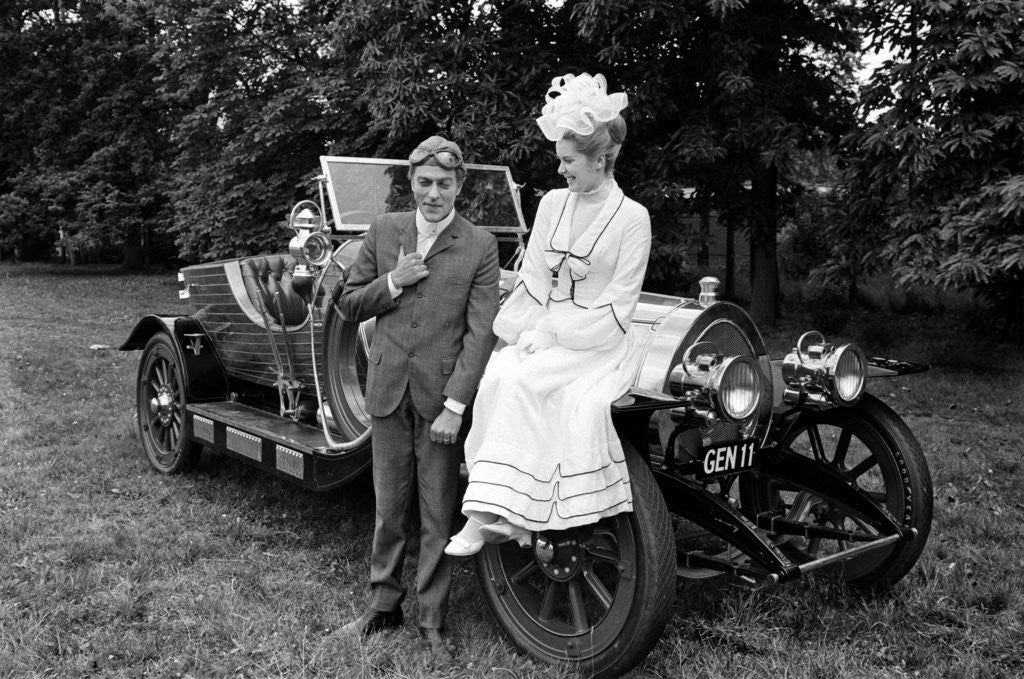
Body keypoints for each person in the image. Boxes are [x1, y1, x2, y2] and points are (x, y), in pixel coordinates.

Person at [445, 74, 651, 556]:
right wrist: (515, 332)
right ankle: (504, 507)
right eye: (560, 159)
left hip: (598, 341)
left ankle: (488, 515)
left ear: (600, 159)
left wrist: (558, 332)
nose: (560, 170)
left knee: (524, 383)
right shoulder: (553, 204)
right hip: (543, 330)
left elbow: (619, 305)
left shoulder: (632, 218)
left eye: (568, 161)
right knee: (498, 376)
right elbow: (534, 278)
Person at [336, 135, 500, 659]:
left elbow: (481, 334)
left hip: (440, 404)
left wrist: (455, 406)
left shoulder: (480, 244)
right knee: (388, 510)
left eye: (444, 184)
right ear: (411, 182)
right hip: (387, 392)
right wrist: (393, 281)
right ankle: (383, 605)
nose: (433, 194)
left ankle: (432, 619)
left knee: (437, 514)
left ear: (459, 186)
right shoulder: (385, 230)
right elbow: (347, 305)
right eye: (424, 182)